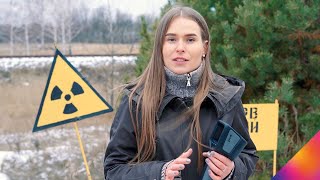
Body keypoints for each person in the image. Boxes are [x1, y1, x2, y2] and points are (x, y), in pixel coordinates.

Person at [104, 5, 258, 180]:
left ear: (205, 48)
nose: (180, 48)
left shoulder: (227, 96)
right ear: (160, 46)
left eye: (190, 40)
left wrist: (231, 170)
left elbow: (248, 155)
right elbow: (114, 170)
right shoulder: (136, 100)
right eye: (171, 39)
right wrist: (159, 173)